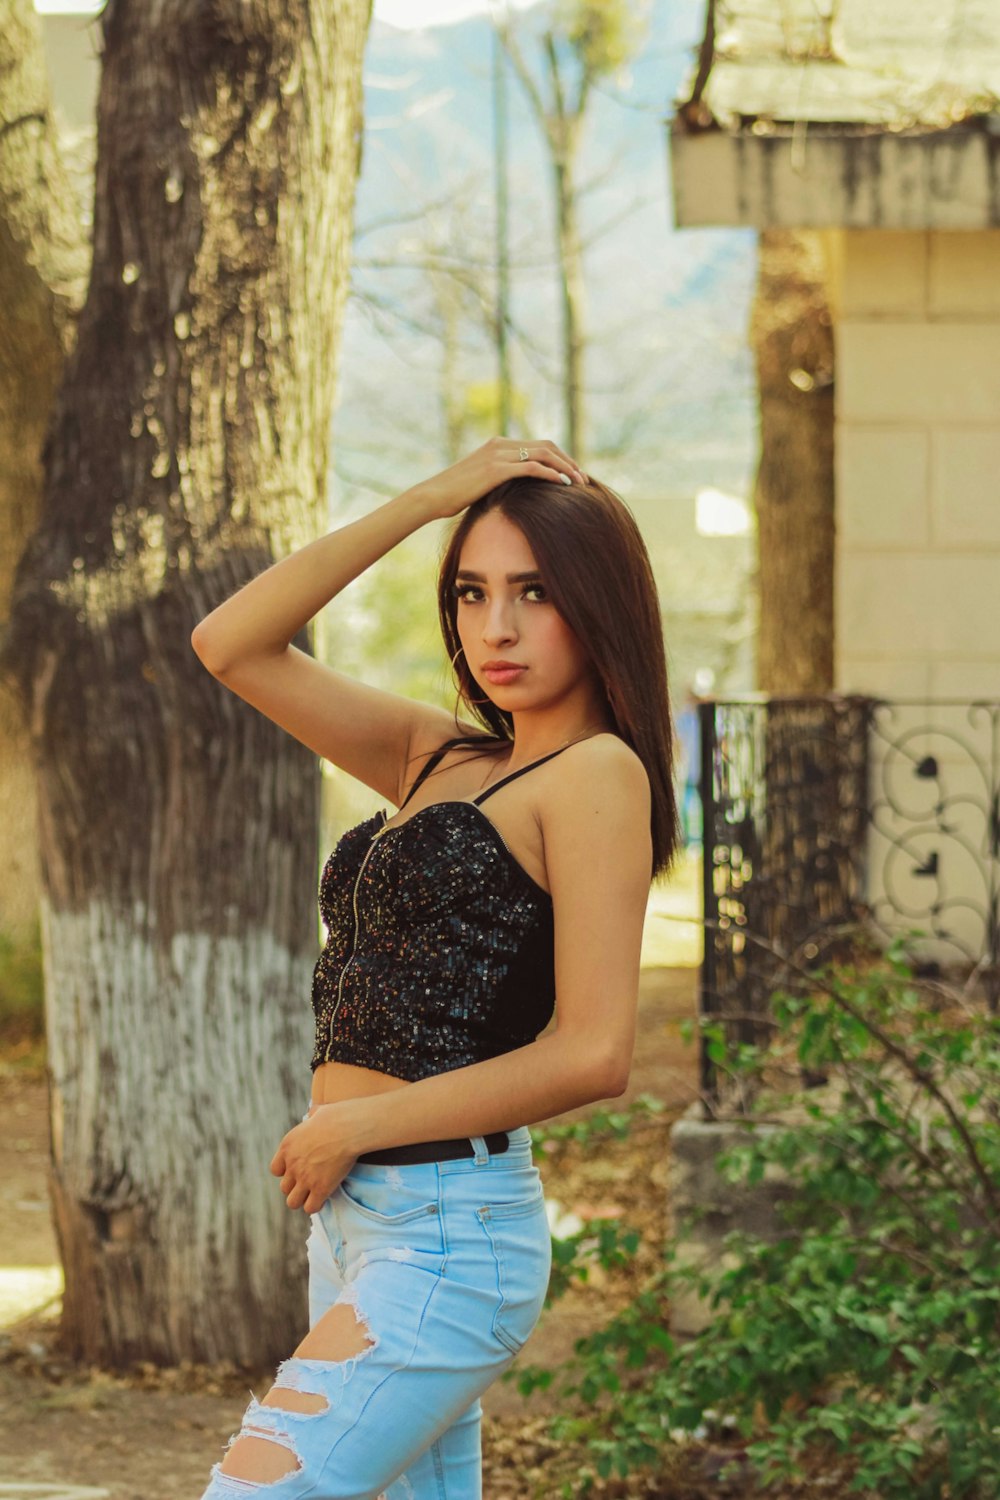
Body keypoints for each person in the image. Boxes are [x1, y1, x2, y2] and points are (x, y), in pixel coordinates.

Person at [190, 435, 681, 1499]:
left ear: (597, 604)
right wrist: (424, 500)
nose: (494, 627)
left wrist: (352, 1126)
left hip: (449, 1237)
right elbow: (230, 644)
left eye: (534, 592)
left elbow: (593, 1054)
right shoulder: (443, 755)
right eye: (470, 592)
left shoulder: (596, 776)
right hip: (358, 1226)